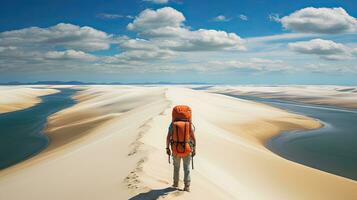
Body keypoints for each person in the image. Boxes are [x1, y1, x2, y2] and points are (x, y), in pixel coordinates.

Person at [166, 105, 196, 192]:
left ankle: (175, 184)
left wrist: (167, 148)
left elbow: (168, 137)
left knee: (176, 167)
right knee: (186, 168)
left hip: (175, 149)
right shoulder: (189, 125)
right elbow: (193, 138)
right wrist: (194, 148)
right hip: (187, 149)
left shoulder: (172, 125)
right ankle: (187, 187)